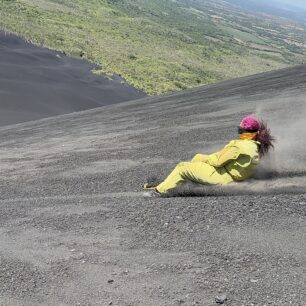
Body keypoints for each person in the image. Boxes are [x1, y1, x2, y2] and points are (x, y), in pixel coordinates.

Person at [143, 115, 274, 197]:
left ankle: (159, 191)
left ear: (243, 132)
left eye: (239, 130)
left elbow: (217, 161)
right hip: (229, 176)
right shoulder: (255, 146)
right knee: (194, 168)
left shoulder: (238, 147)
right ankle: (166, 184)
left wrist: (200, 157)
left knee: (183, 167)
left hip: (222, 177)